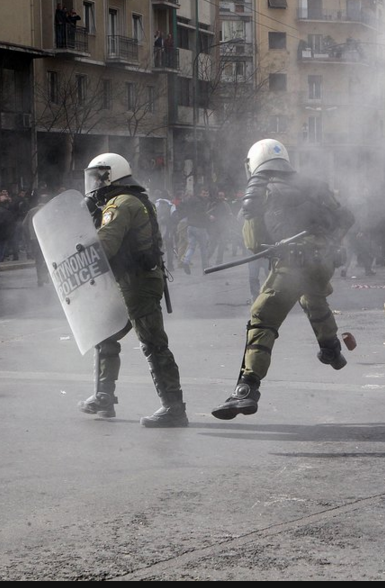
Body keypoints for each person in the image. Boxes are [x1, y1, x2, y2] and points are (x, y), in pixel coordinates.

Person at [212, 138, 355, 420]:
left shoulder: (260, 188)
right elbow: (346, 218)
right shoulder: (314, 184)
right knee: (313, 298)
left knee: (262, 317)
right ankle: (332, 351)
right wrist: (327, 242)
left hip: (293, 264)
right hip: (323, 263)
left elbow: (254, 243)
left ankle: (246, 390)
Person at [80, 153, 188, 428]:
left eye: (98, 176)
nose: (93, 183)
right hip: (131, 280)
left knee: (153, 343)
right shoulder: (132, 199)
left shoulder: (121, 203)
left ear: (111, 176)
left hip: (137, 282)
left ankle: (174, 408)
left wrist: (80, 248)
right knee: (105, 333)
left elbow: (106, 245)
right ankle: (104, 396)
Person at [22, 192, 50, 286]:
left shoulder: (31, 211)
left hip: (35, 238)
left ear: (38, 201)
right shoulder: (49, 210)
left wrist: (29, 233)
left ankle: (40, 279)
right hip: (48, 238)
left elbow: (24, 224)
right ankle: (45, 274)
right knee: (48, 258)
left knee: (38, 259)